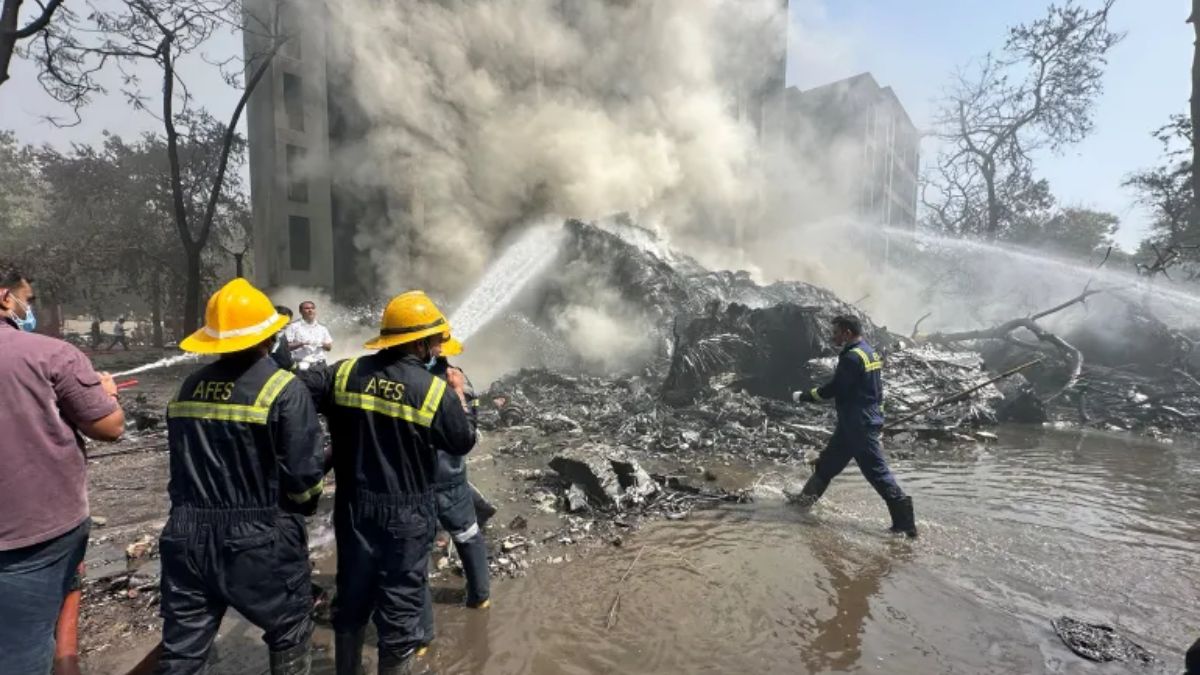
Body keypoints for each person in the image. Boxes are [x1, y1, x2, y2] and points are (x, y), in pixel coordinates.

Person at [299, 290, 476, 675]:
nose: (436, 348)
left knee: (351, 600)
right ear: (417, 342)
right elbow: (462, 441)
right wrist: (460, 394)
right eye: (433, 341)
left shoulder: (342, 372)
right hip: (406, 513)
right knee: (399, 610)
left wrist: (313, 458)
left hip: (353, 509)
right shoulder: (434, 391)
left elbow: (293, 394)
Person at [157, 278, 326, 675]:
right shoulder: (284, 388)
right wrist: (300, 509)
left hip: (186, 535)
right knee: (290, 628)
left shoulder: (188, 386)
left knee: (182, 653)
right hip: (257, 537)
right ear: (269, 337)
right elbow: (304, 479)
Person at [0, 269, 126, 674]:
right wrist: (104, 395)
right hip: (32, 532)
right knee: (22, 648)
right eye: (28, 300)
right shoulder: (50, 354)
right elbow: (110, 427)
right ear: (6, 298)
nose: (29, 308)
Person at [791, 314, 917, 537]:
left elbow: (834, 389)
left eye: (837, 331)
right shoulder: (869, 352)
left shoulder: (851, 358)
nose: (834, 336)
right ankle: (802, 504)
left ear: (847, 332)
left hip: (858, 426)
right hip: (856, 423)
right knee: (827, 465)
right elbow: (877, 390)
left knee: (877, 474)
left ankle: (906, 527)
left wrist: (804, 396)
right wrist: (878, 418)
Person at [427, 337, 491, 611]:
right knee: (467, 535)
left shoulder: (409, 381)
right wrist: (460, 394)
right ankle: (480, 597)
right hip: (449, 473)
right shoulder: (457, 381)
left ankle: (419, 612)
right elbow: (469, 431)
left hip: (413, 477)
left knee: (414, 542)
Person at [287, 300, 333, 369]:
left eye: (312, 308)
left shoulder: (322, 328)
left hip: (320, 365)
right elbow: (286, 346)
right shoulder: (293, 327)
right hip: (301, 365)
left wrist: (321, 343)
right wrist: (302, 343)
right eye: (307, 308)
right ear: (300, 311)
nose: (310, 310)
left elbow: (329, 348)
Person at [271, 305, 297, 371]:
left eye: (287, 324)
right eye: (281, 322)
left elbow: (286, 358)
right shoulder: (261, 338)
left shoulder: (282, 336)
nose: (284, 326)